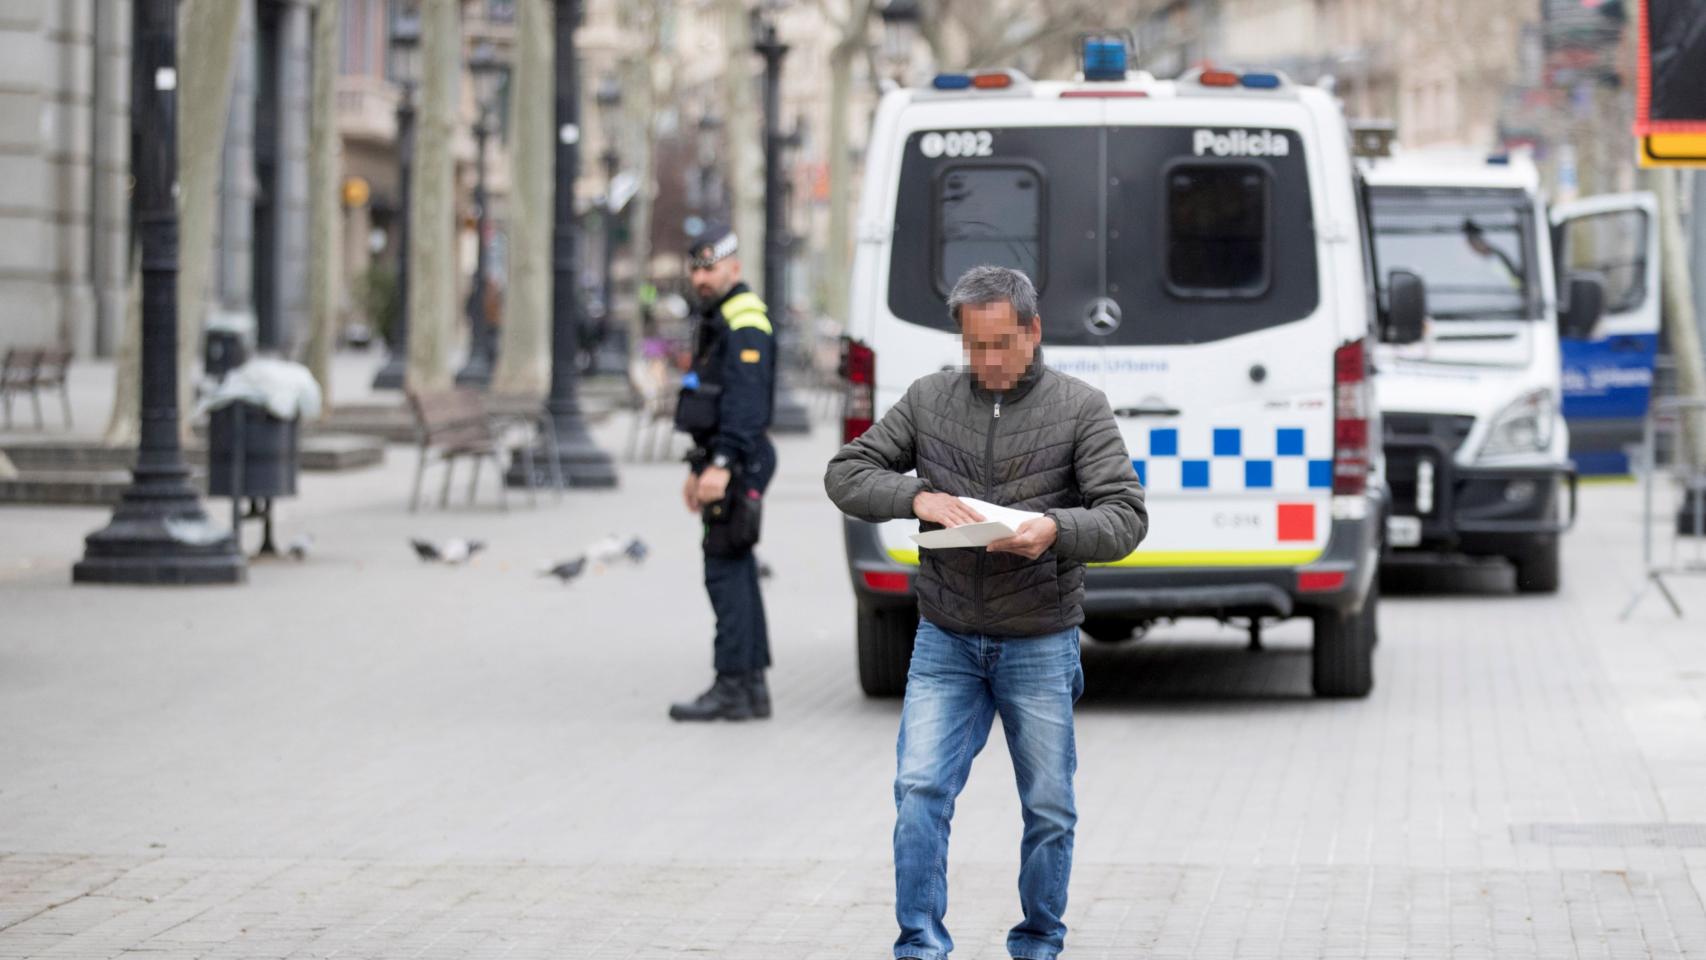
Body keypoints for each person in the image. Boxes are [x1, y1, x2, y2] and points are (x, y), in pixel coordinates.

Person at [823, 265, 1148, 960]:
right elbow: (845, 473)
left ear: (1032, 332)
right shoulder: (929, 399)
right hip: (945, 639)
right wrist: (916, 498)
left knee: (1050, 810)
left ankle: (1037, 942)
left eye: (1002, 343)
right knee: (918, 792)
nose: (988, 361)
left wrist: (1055, 530)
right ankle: (919, 946)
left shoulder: (1080, 407)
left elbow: (1125, 517)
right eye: (975, 346)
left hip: (1039, 639)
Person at [668, 225, 778, 722]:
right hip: (726, 456)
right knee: (736, 568)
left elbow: (746, 403)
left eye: (709, 267)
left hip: (738, 458)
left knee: (724, 572)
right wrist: (703, 461)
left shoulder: (744, 318)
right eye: (695, 267)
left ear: (734, 267)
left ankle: (733, 684)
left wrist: (722, 464)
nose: (700, 276)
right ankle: (750, 687)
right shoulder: (717, 316)